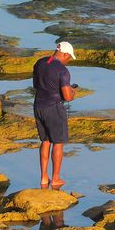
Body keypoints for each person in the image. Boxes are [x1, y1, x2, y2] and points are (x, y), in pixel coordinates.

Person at [32, 40, 76, 190]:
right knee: (58, 142)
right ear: (64, 54)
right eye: (69, 57)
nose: (68, 61)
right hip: (54, 108)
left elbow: (36, 85)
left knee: (45, 141)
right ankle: (56, 178)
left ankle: (44, 177)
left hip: (38, 106)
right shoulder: (63, 71)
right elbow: (67, 97)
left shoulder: (40, 63)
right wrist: (72, 91)